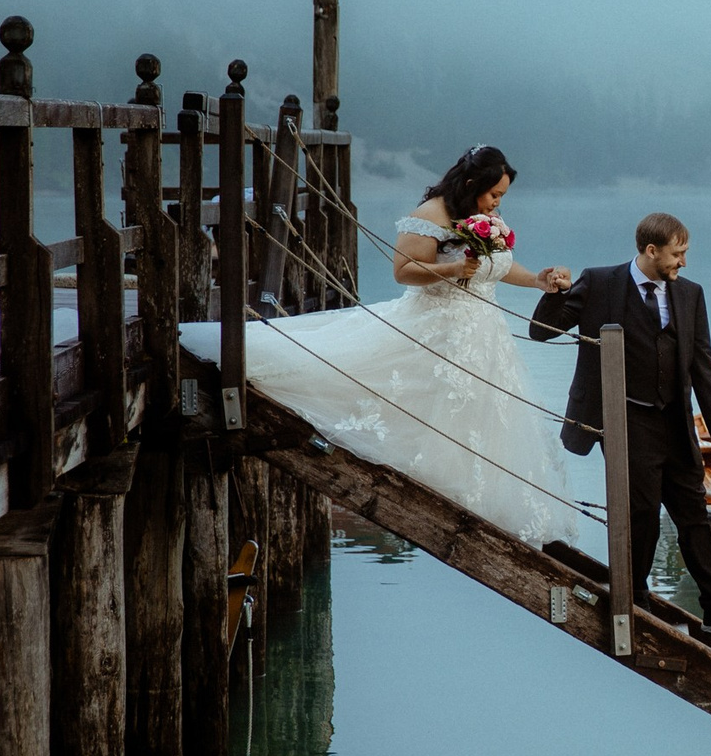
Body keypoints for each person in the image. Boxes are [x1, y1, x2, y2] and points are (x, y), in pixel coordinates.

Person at [230, 144, 578, 543]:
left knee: (482, 418)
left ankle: (481, 503)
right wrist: (453, 269)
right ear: (469, 184)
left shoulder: (485, 218)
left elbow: (495, 266)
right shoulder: (429, 215)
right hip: (437, 324)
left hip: (484, 333)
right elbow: (403, 271)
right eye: (494, 194)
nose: (497, 204)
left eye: (501, 197)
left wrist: (537, 279)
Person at [530, 212, 711, 639]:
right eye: (678, 254)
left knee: (694, 515)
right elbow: (542, 332)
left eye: (686, 253)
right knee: (642, 515)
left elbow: (703, 364)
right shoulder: (600, 282)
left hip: (675, 422)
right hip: (624, 421)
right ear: (651, 251)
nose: (684, 263)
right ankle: (633, 601)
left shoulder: (690, 294)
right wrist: (551, 293)